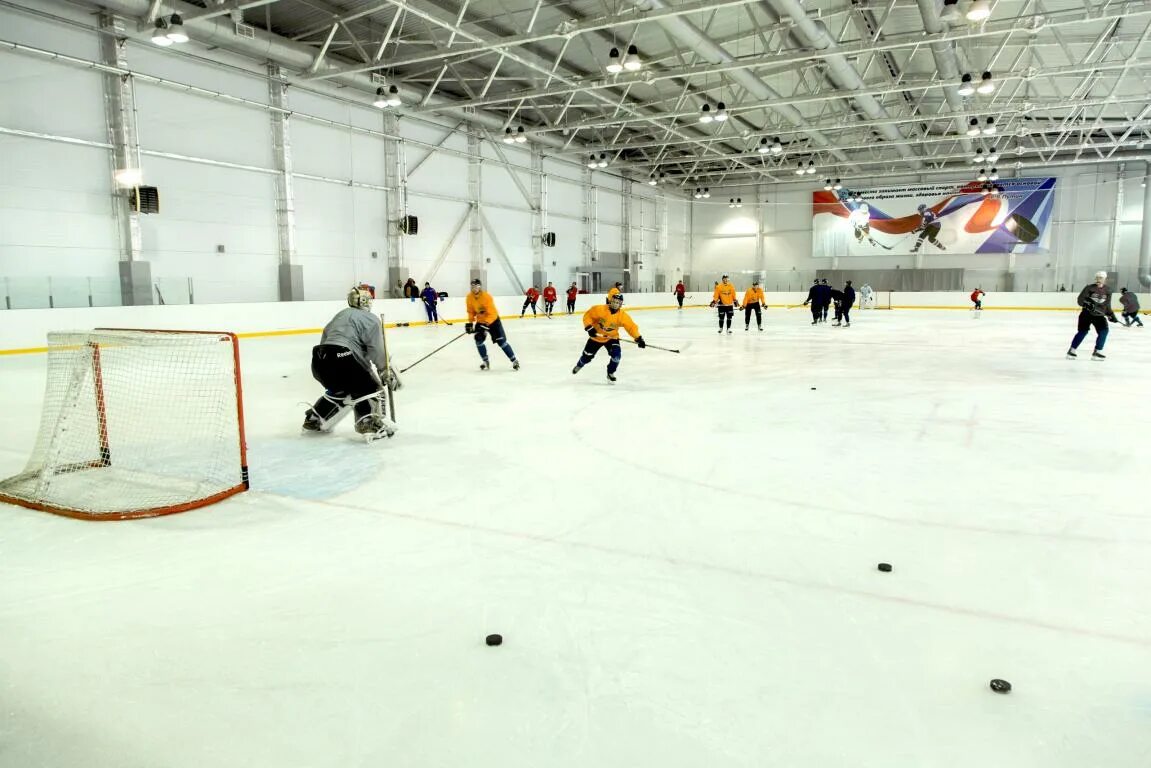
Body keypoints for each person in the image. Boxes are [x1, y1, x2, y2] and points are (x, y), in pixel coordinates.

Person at [302, 286, 396, 438]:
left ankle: (316, 418)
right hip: (343, 359)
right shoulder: (370, 319)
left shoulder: (340, 315)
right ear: (364, 301)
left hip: (319, 360)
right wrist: (385, 370)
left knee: (342, 390)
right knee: (372, 389)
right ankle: (370, 423)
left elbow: (327, 341)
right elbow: (377, 348)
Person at [572, 292, 645, 382]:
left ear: (621, 304)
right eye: (614, 301)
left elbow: (631, 327)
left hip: (612, 338)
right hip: (596, 337)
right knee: (587, 356)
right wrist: (589, 327)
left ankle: (610, 372)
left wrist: (638, 338)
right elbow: (588, 316)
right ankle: (580, 364)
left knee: (616, 356)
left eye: (618, 302)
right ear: (610, 301)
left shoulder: (622, 316)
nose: (615, 304)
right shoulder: (599, 309)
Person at [466, 278, 520, 371]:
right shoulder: (469, 297)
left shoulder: (487, 297)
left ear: (480, 287)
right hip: (481, 322)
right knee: (478, 340)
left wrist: (486, 323)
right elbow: (471, 311)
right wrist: (470, 323)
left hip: (493, 321)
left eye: (476, 286)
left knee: (501, 342)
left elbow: (492, 313)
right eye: (473, 286)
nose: (474, 288)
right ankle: (485, 361)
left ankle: (514, 360)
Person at [1067, 271, 1118, 360]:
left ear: (1105, 279)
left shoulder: (1108, 290)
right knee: (1083, 331)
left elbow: (1107, 305)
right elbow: (1080, 300)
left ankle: (1097, 352)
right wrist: (1087, 304)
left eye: (1101, 278)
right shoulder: (1089, 288)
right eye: (1097, 277)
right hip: (1086, 314)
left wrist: (1111, 314)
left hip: (1099, 316)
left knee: (1104, 331)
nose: (1098, 279)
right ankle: (1072, 351)